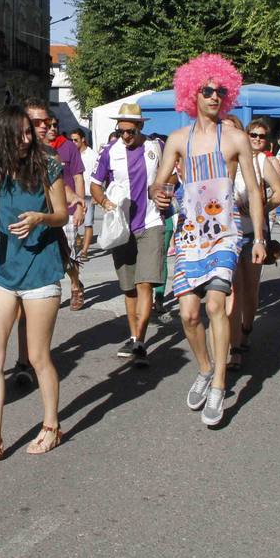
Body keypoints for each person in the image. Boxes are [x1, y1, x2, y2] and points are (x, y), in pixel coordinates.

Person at [151, 53, 266, 427]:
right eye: (207, 90)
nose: (215, 96)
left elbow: (253, 188)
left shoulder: (235, 138)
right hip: (188, 233)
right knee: (188, 314)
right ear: (191, 94)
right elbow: (161, 182)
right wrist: (159, 193)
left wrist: (261, 237)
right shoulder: (177, 139)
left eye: (221, 90)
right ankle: (204, 368)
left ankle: (218, 384)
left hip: (226, 233)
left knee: (216, 305)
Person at [0, 106, 70, 463]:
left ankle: (51, 426)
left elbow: (62, 214)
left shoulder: (47, 164)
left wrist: (41, 217)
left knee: (38, 357)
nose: (28, 138)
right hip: (4, 272)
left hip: (40, 270)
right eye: (21, 133)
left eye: (30, 131)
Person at [90, 103, 167, 365]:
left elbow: (171, 178)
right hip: (122, 227)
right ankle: (134, 336)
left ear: (141, 126)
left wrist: (164, 192)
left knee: (145, 283)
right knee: (129, 288)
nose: (125, 135)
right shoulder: (110, 152)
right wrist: (105, 204)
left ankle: (139, 341)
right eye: (121, 131)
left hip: (151, 222)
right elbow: (95, 185)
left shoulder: (155, 148)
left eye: (130, 131)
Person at [228, 117, 280, 366]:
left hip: (255, 234)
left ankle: (247, 328)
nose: (256, 140)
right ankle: (234, 347)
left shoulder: (262, 161)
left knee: (250, 290)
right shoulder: (226, 158)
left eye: (261, 137)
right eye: (253, 135)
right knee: (234, 290)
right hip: (230, 234)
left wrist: (261, 208)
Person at [28, 100, 87, 310]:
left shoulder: (67, 147)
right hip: (43, 213)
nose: (49, 128)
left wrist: (79, 205)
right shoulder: (30, 151)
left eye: (52, 125)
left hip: (67, 210)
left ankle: (74, 285)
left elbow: (78, 178)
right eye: (44, 124)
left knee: (68, 255)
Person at [70, 129, 99, 261]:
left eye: (76, 140)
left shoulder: (92, 155)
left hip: (88, 193)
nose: (73, 142)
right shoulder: (71, 153)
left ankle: (85, 250)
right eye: (72, 140)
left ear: (83, 139)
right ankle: (75, 243)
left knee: (88, 223)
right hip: (74, 194)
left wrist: (96, 195)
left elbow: (98, 175)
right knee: (73, 222)